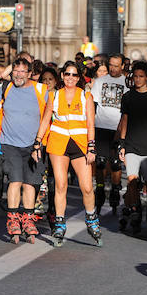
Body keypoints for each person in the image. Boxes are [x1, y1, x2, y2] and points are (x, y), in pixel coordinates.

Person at [34, 61, 101, 246]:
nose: (70, 78)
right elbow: (47, 118)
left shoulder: (85, 96)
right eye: (67, 74)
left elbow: (90, 124)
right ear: (62, 76)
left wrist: (92, 147)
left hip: (80, 144)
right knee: (61, 185)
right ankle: (60, 223)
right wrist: (38, 142)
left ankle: (91, 219)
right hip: (58, 143)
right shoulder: (54, 95)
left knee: (87, 187)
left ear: (78, 78)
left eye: (74, 75)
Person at [0, 57, 49, 243]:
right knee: (15, 180)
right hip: (10, 143)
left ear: (30, 73)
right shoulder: (6, 88)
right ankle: (14, 219)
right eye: (16, 71)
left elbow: (48, 118)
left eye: (23, 71)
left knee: (30, 183)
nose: (19, 75)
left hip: (33, 145)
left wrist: (39, 143)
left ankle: (29, 219)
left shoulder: (41, 90)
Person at [117, 61, 147, 235]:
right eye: (135, 76)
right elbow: (125, 120)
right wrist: (121, 143)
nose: (137, 79)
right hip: (131, 145)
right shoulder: (127, 97)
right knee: (132, 180)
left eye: (141, 76)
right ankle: (135, 209)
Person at [89, 53, 130, 214]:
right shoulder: (100, 81)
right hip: (101, 126)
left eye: (116, 65)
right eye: (111, 65)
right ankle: (99, 189)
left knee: (114, 163)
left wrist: (123, 131)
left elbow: (127, 111)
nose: (113, 68)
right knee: (100, 162)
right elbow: (93, 105)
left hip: (117, 127)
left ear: (122, 66)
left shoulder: (126, 83)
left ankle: (114, 189)